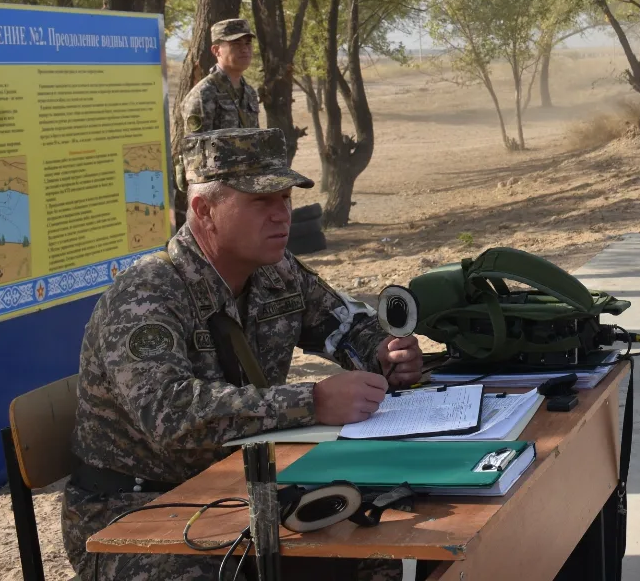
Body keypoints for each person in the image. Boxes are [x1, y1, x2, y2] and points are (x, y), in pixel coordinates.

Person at [62, 128, 422, 580]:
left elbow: (346, 326)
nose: (282, 215)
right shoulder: (149, 293)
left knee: (389, 561)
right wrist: (312, 401)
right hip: (134, 509)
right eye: (260, 201)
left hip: (240, 492)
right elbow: (169, 414)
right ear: (204, 210)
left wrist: (386, 355)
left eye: (285, 198)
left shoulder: (277, 271)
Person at [173, 18, 262, 224]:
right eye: (235, 44)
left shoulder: (248, 93)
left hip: (246, 191)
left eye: (247, 43)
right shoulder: (203, 95)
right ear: (216, 50)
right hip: (217, 201)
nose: (244, 50)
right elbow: (195, 156)